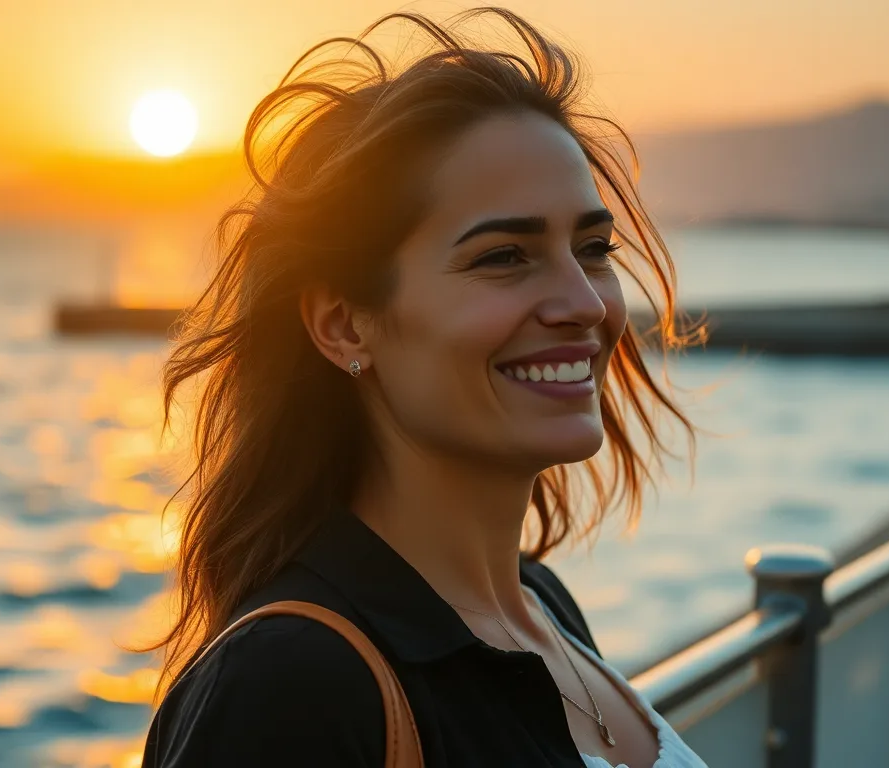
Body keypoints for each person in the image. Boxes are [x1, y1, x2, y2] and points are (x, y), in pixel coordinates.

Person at [141, 7, 702, 767]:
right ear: (344, 325)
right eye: (504, 256)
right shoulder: (292, 684)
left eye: (593, 247)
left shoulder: (542, 606)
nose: (585, 303)